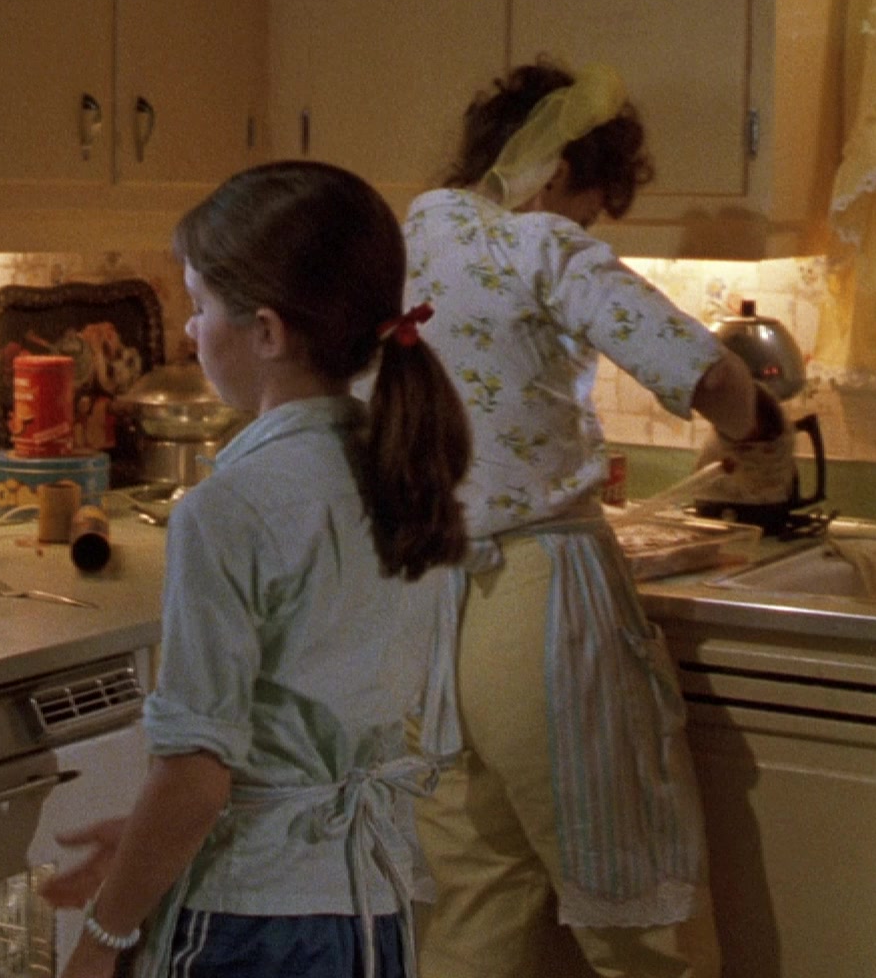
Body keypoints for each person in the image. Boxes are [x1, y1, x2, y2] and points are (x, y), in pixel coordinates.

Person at [39, 160, 474, 978]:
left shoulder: (229, 510)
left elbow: (197, 780)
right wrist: (145, 842)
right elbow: (295, 737)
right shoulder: (403, 473)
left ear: (268, 333)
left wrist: (104, 937)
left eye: (201, 306)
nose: (190, 331)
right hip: (370, 912)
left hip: (252, 923)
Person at [402, 60, 785, 978]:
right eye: (592, 208)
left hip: (418, 608)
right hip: (540, 606)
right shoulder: (540, 245)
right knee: (636, 903)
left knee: (476, 898)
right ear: (561, 171)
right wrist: (762, 428)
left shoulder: (403, 239)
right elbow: (710, 375)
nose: (587, 227)